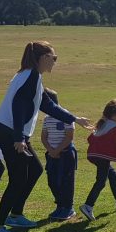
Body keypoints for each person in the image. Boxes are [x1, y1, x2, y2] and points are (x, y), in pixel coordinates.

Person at [0, 41, 92, 232]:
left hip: (13, 132)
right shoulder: (31, 76)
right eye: (54, 58)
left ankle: (16, 215)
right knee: (17, 180)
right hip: (9, 133)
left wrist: (75, 119)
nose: (55, 62)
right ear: (43, 58)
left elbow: (48, 105)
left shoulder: (32, 77)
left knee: (34, 169)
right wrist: (18, 137)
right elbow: (17, 105)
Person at [79, 99, 116, 221]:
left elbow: (90, 139)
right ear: (115, 115)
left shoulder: (103, 123)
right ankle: (88, 206)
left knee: (112, 174)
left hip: (94, 156)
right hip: (101, 158)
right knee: (101, 181)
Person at [41, 89, 77, 221]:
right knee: (52, 181)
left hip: (66, 154)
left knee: (66, 182)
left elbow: (69, 137)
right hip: (51, 155)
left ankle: (68, 208)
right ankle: (60, 205)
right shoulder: (46, 119)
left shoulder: (66, 116)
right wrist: (51, 150)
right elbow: (44, 137)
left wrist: (57, 150)